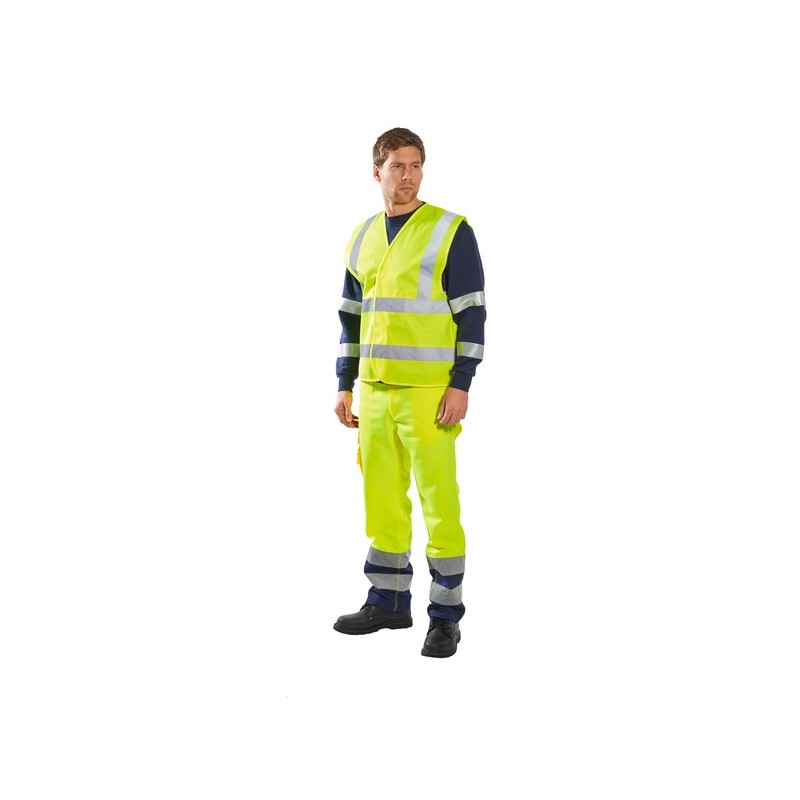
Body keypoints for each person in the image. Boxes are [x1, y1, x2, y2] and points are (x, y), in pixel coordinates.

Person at [332, 127, 486, 658]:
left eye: (416, 165)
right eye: (398, 166)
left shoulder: (450, 230)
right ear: (377, 171)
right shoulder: (362, 237)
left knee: (439, 503)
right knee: (382, 500)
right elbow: (351, 317)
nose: (408, 176)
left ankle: (445, 616)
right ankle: (389, 601)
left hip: (429, 393)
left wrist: (461, 384)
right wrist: (344, 384)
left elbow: (472, 312)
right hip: (374, 392)